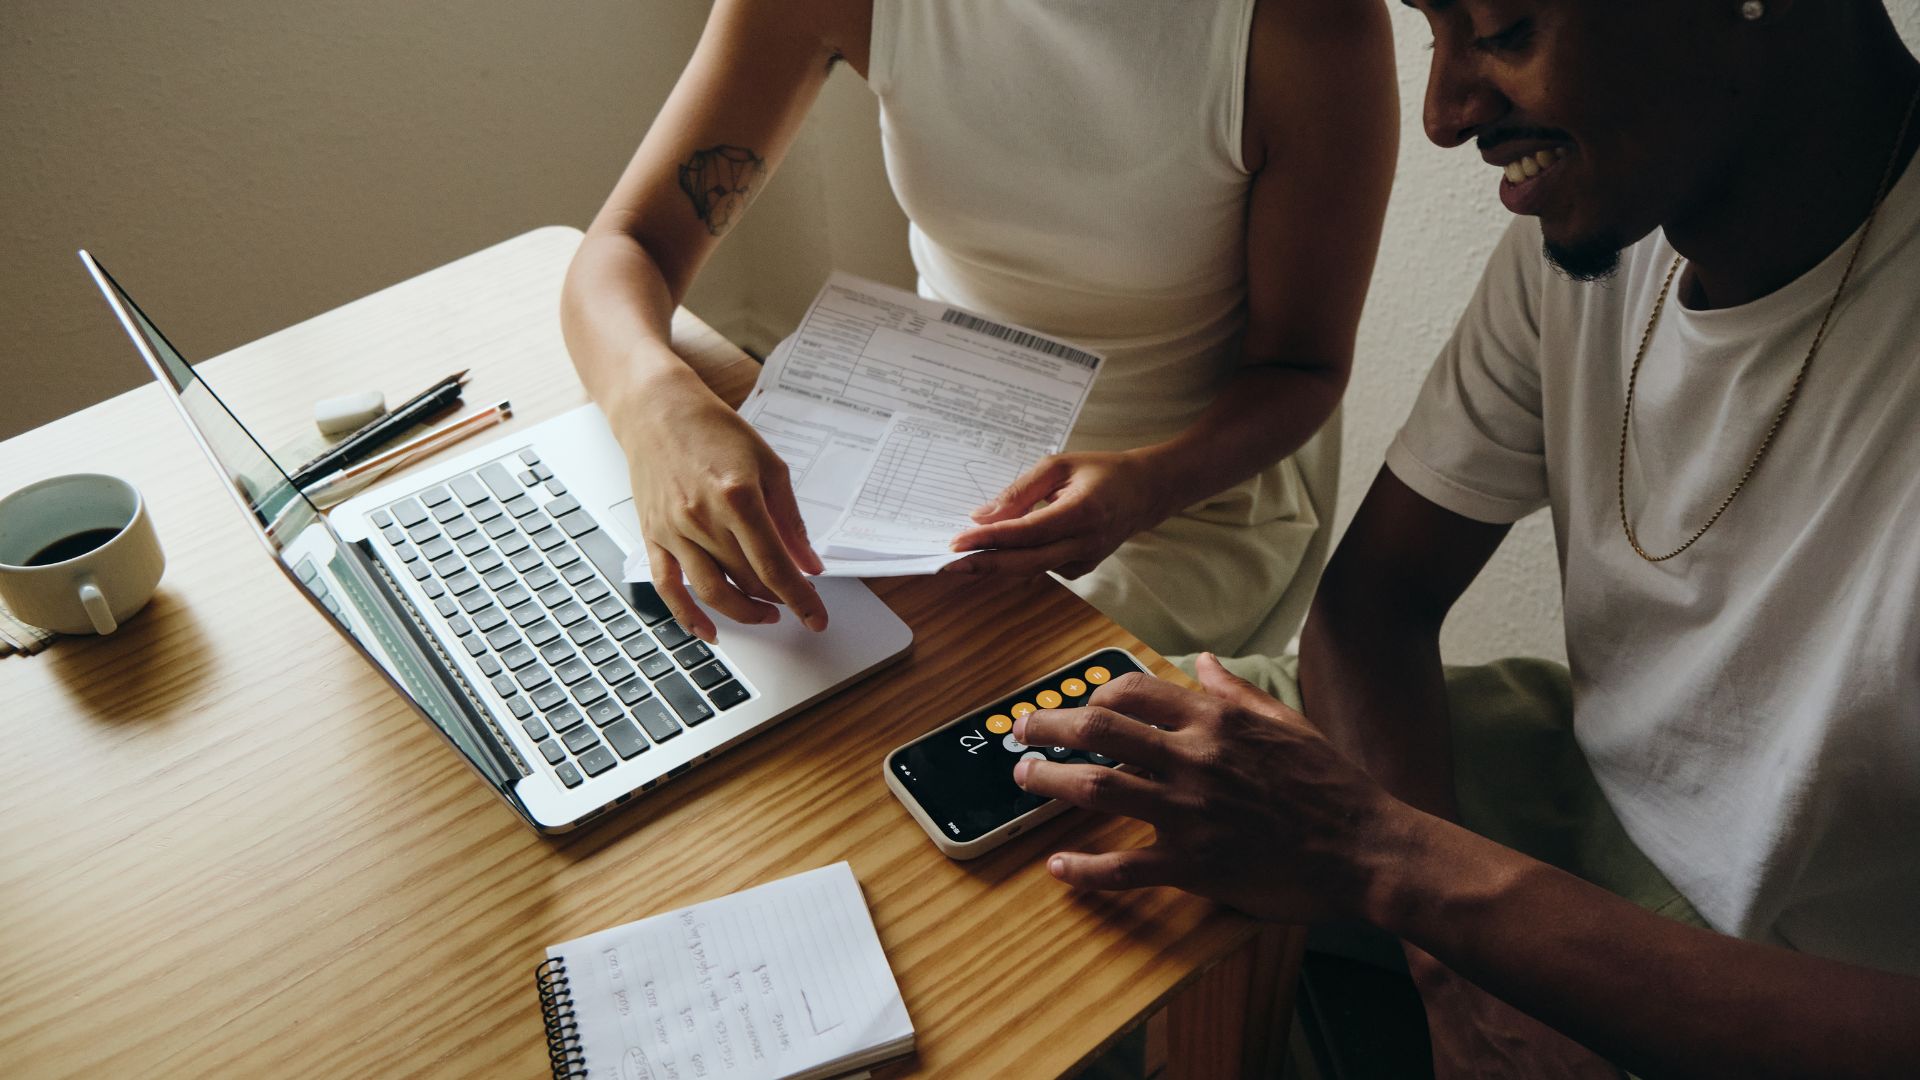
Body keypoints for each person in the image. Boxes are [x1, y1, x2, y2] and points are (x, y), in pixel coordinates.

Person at [1009, 1, 1920, 1076]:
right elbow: (1372, 608)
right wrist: (1456, 966)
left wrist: (1393, 862)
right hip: (1574, 799)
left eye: (1507, 26)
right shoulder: (1597, 239)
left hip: (1819, 984)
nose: (1444, 113)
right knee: (1079, 794)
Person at [559, 0, 1396, 656]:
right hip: (916, 451)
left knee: (924, 719)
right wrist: (657, 407)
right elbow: (626, 247)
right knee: (695, 655)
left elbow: (1303, 367)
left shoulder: (1307, 27)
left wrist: (1150, 484)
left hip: (1177, 503)